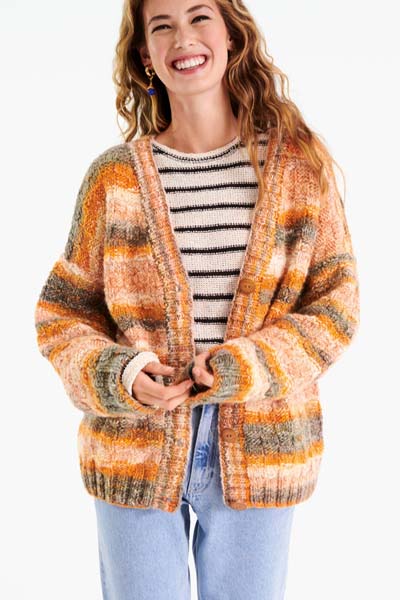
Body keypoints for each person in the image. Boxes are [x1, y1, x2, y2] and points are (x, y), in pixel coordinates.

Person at [34, 0, 360, 598]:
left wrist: (242, 367)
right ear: (146, 56)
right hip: (134, 447)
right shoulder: (114, 178)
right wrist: (120, 374)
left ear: (232, 35)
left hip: (261, 447)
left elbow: (335, 308)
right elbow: (64, 313)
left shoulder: (295, 168)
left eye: (199, 16)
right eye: (162, 26)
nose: (183, 37)